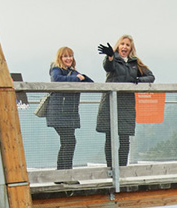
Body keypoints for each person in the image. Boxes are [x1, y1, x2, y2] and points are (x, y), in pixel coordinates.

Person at [96, 35, 154, 168]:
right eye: (122, 44)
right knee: (110, 138)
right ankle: (111, 169)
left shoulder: (134, 62)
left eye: (127, 45)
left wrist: (138, 81)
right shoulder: (113, 59)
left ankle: (122, 169)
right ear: (118, 45)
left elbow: (151, 76)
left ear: (131, 48)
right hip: (110, 103)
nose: (124, 47)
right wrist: (110, 56)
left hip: (127, 104)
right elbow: (108, 67)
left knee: (124, 138)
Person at [46, 46, 93, 172]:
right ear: (60, 58)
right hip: (59, 112)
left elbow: (91, 83)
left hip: (70, 113)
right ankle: (65, 173)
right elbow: (56, 79)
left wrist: (82, 77)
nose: (68, 58)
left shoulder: (72, 71)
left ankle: (61, 173)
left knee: (67, 142)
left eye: (70, 56)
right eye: (65, 56)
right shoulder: (56, 68)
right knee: (69, 141)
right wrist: (77, 78)